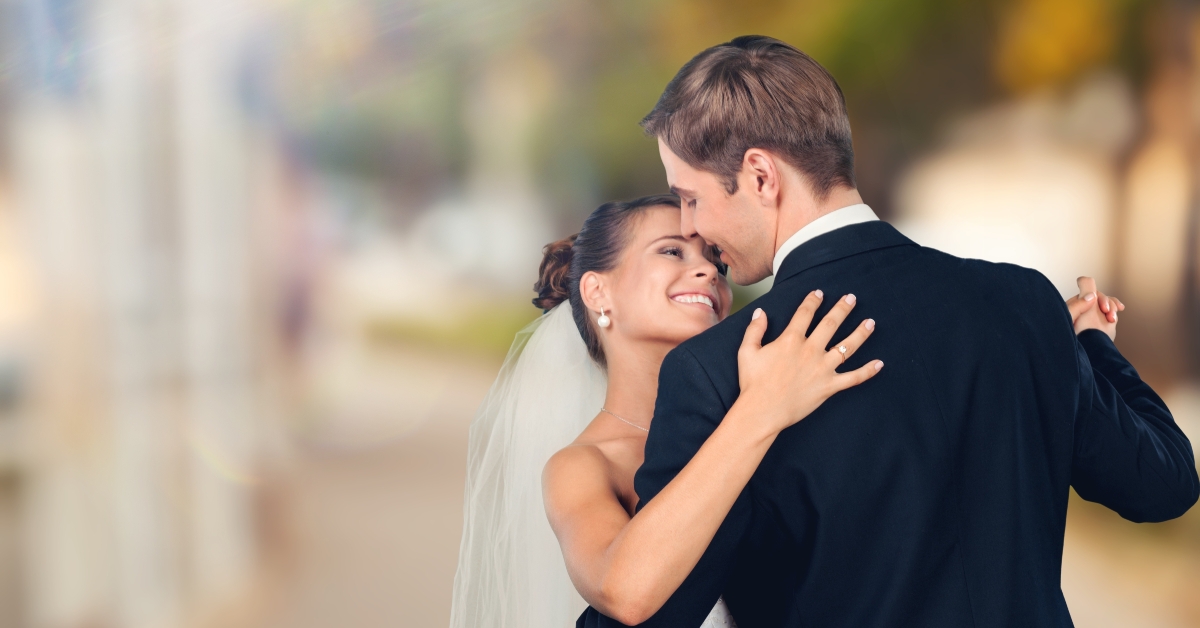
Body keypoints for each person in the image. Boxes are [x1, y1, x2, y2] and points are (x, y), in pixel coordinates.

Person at [576, 36, 1198, 627]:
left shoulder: (721, 370)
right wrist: (1090, 343)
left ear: (762, 177)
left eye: (690, 197)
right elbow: (1165, 485)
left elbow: (650, 614)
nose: (692, 226)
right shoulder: (1024, 302)